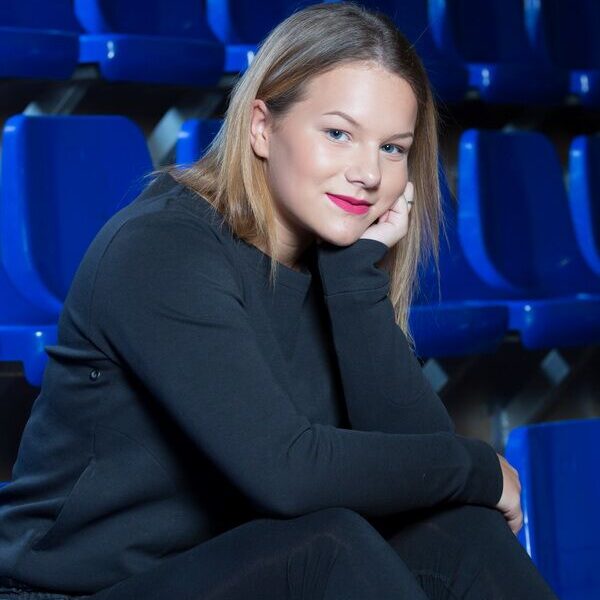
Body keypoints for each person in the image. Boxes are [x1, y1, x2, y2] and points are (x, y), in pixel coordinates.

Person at [0, 3, 557, 599]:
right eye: (338, 134)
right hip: (71, 592)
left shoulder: (333, 263)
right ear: (262, 127)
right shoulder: (161, 247)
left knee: (459, 532)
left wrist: (355, 280)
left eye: (393, 148)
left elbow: (419, 458)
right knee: (329, 547)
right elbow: (287, 472)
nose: (369, 173)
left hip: (233, 571)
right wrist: (478, 467)